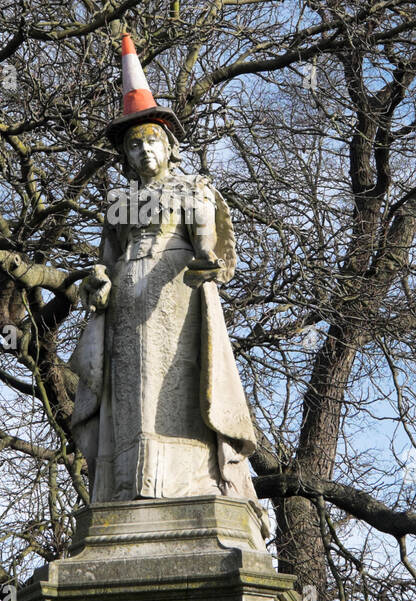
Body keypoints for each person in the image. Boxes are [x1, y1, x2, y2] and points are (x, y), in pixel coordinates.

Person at [70, 36, 269, 536]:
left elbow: (216, 254)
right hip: (127, 305)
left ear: (169, 144)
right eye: (133, 145)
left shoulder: (194, 188)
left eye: (151, 141)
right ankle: (128, 484)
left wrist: (205, 259)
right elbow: (105, 263)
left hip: (178, 297)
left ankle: (193, 479)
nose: (142, 150)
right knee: (131, 394)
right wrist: (96, 282)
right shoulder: (118, 201)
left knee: (180, 389)